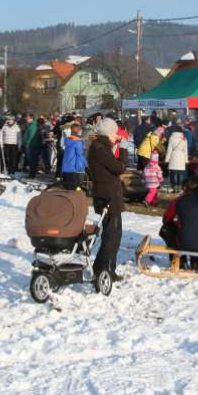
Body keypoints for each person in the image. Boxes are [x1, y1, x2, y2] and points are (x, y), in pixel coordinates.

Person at [87, 117, 129, 281]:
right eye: (114, 133)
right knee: (111, 235)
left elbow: (110, 166)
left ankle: (106, 268)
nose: (116, 136)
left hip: (109, 196)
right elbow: (119, 167)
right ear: (109, 133)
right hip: (108, 197)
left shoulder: (102, 147)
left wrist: (117, 146)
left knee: (115, 234)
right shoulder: (99, 148)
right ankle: (103, 270)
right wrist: (123, 150)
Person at [159, 175, 198, 270]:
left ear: (185, 188)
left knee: (166, 229)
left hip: (186, 243)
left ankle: (179, 261)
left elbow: (166, 219)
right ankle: (196, 262)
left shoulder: (179, 201)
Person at [61, 123, 87, 190]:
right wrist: (85, 164)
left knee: (66, 189)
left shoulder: (67, 140)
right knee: (74, 190)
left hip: (66, 167)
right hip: (74, 169)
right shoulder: (78, 142)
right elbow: (80, 155)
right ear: (78, 130)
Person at [165, 127, 188, 193]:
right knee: (180, 174)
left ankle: (175, 188)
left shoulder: (172, 138)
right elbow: (186, 150)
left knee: (174, 173)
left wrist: (167, 159)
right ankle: (179, 187)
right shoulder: (184, 138)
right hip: (181, 156)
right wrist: (186, 160)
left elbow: (169, 150)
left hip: (173, 156)